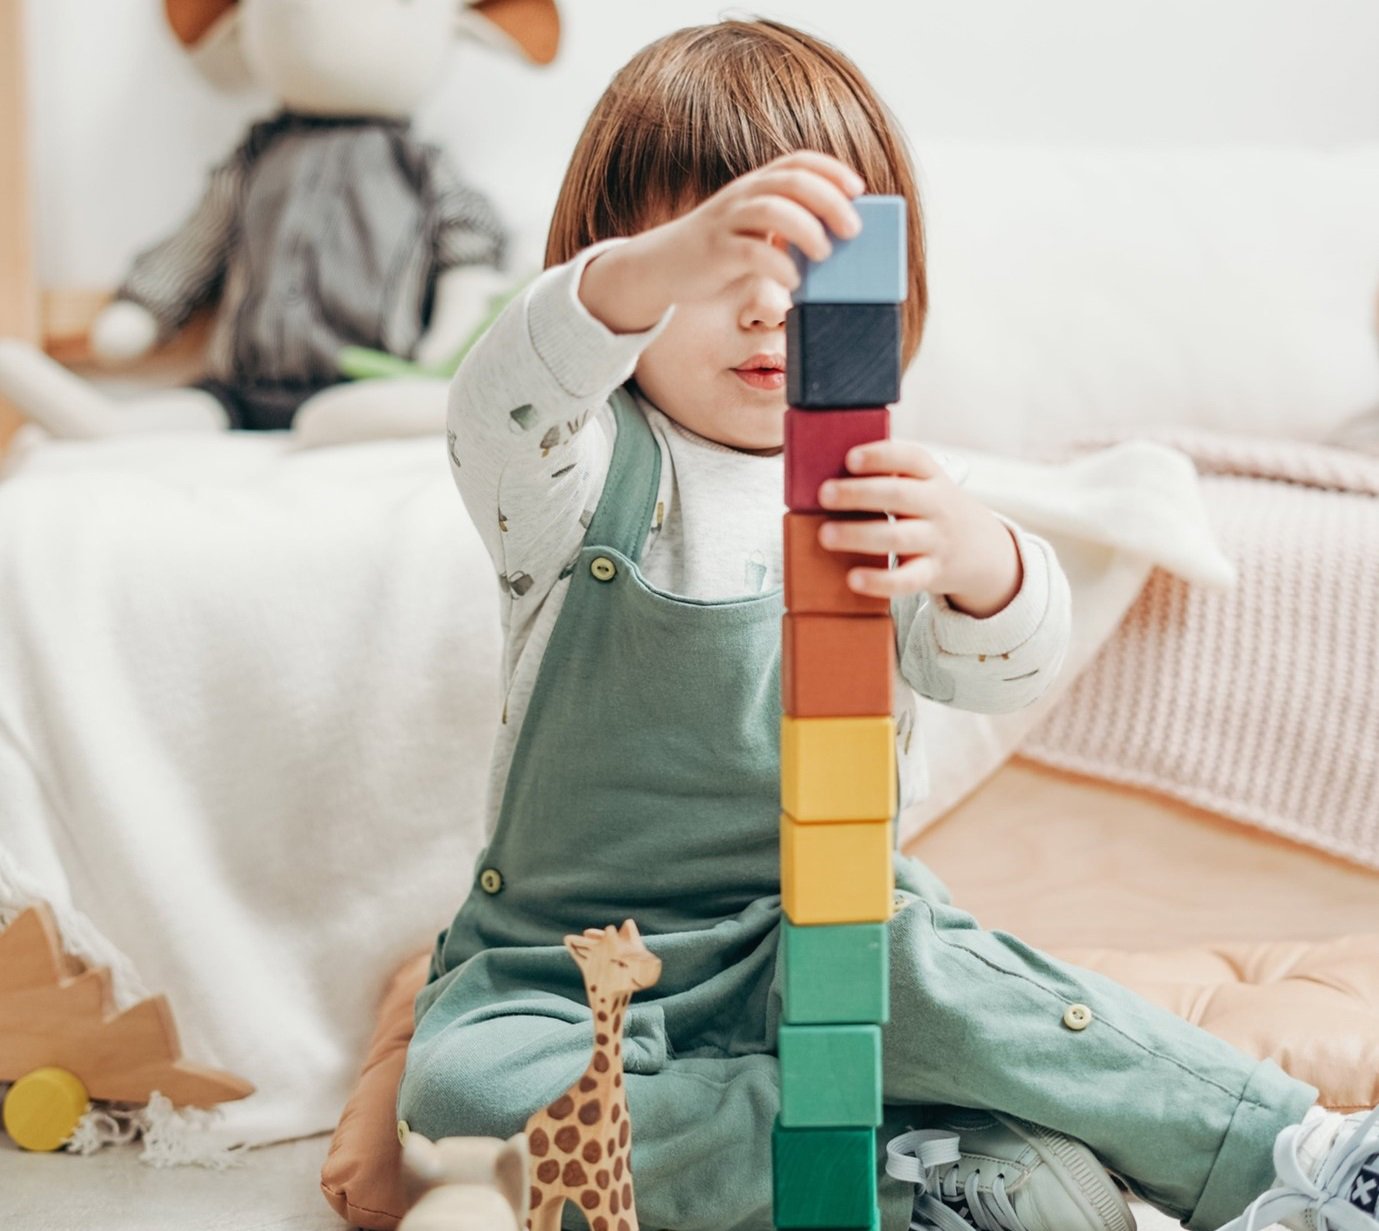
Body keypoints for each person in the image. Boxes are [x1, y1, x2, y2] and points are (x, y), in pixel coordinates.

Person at [397, 18, 1379, 1231]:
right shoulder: (573, 473)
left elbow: (1004, 665)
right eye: (720, 265)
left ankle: (1290, 1153)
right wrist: (650, 269)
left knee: (939, 969)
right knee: (458, 1098)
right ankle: (910, 1145)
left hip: (817, 930)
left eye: (804, 266)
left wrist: (980, 561)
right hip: (569, 969)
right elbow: (502, 397)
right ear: (626, 275)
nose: (765, 307)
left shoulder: (881, 484)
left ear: (883, 291)